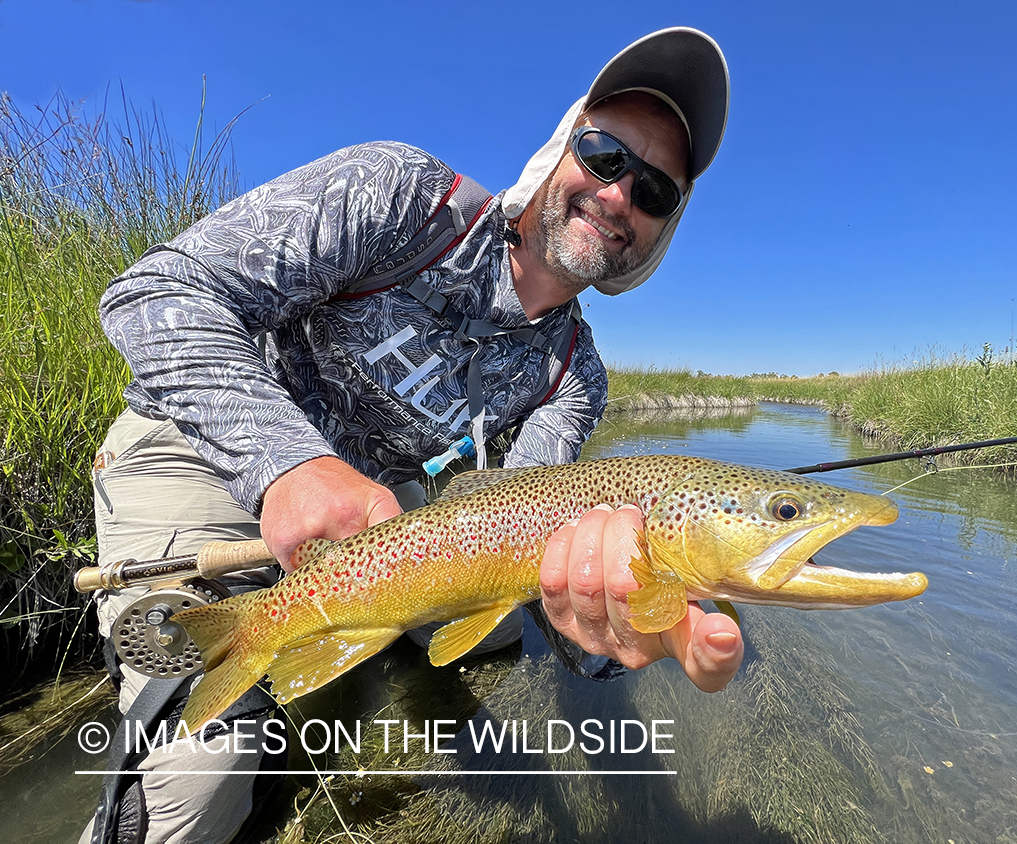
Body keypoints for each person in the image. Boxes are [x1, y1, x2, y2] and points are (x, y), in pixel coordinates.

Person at [79, 27, 742, 844]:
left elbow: (530, 518)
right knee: (199, 782)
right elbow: (156, 293)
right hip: (201, 446)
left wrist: (626, 609)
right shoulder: (401, 197)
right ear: (558, 152)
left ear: (661, 229)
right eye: (604, 155)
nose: (617, 197)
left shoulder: (575, 378)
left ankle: (340, 651)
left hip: (374, 521)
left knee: (495, 635)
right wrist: (286, 463)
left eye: (654, 191)